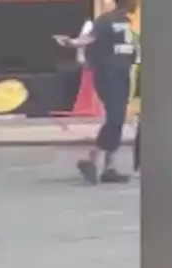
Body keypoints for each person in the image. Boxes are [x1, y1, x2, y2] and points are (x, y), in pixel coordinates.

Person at [54, 0, 139, 183]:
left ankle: (109, 168)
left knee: (117, 119)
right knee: (115, 118)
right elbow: (89, 39)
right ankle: (93, 158)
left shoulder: (128, 22)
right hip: (108, 75)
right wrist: (72, 43)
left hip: (122, 74)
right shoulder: (106, 20)